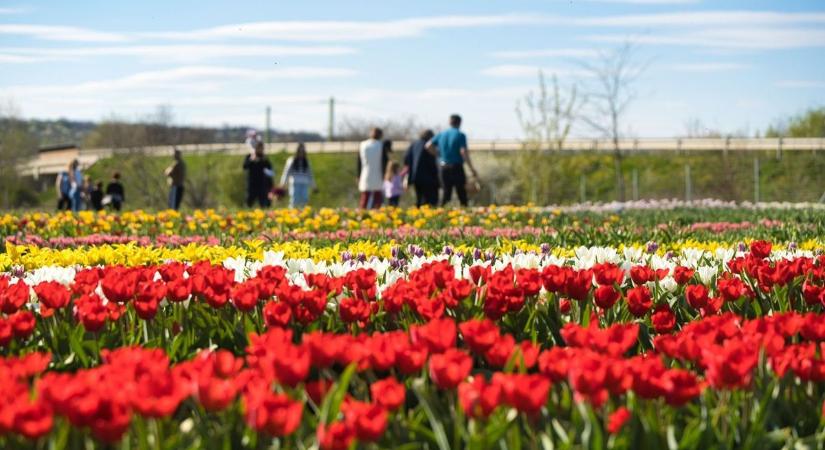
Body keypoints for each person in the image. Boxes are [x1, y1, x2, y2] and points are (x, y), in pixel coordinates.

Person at [427, 114, 479, 207]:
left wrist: (438, 155)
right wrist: (471, 169)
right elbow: (463, 152)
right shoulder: (460, 135)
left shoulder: (441, 134)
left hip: (443, 167)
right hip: (456, 167)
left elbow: (428, 145)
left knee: (446, 193)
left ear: (449, 122)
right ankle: (465, 214)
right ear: (460, 123)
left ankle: (441, 214)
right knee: (461, 193)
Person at [404, 129, 439, 207]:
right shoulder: (429, 146)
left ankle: (419, 215)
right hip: (428, 177)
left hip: (415, 176)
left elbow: (406, 159)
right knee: (429, 200)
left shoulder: (414, 144)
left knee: (419, 198)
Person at [279, 143, 317, 208]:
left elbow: (310, 175)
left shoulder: (306, 162)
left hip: (304, 183)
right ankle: (291, 214)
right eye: (300, 151)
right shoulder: (291, 160)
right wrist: (283, 183)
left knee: (304, 200)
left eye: (303, 151)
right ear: (297, 151)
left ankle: (303, 215)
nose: (301, 153)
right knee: (294, 200)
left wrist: (314, 186)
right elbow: (286, 173)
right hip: (295, 183)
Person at [357, 128, 386, 209]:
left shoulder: (363, 144)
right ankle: (377, 212)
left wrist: (358, 175)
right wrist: (384, 174)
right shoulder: (381, 145)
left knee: (365, 196)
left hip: (365, 172)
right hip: (378, 173)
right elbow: (384, 161)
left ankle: (362, 212)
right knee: (377, 197)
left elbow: (359, 162)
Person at [243, 141, 273, 208]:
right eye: (259, 148)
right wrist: (251, 160)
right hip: (252, 184)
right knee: (249, 202)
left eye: (262, 148)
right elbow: (245, 167)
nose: (260, 149)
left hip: (262, 184)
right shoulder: (249, 156)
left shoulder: (264, 158)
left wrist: (263, 161)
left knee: (263, 203)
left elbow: (270, 171)